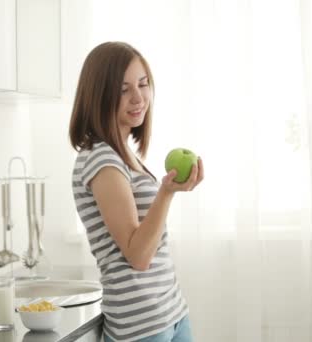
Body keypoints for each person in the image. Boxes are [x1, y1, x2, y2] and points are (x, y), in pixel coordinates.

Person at [69, 41, 204, 342]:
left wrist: (168, 191)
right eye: (123, 89)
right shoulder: (101, 158)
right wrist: (166, 193)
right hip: (142, 328)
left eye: (143, 84)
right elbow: (138, 256)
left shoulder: (122, 154)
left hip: (170, 312)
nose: (138, 97)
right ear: (100, 94)